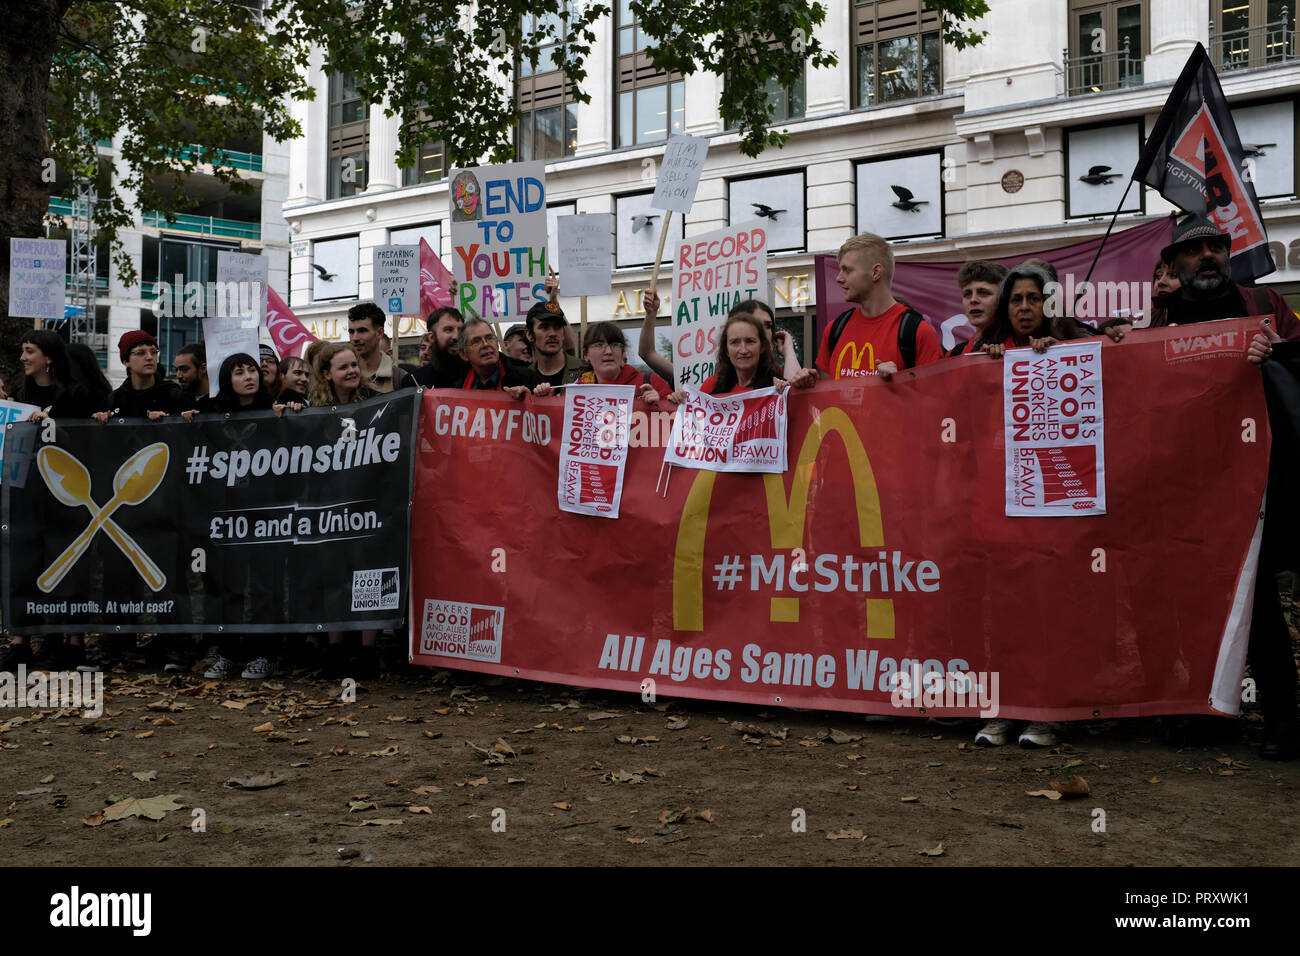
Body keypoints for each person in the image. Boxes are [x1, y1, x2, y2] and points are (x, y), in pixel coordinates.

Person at [200, 353, 304, 680]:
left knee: (265, 584)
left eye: (252, 370)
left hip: (266, 514)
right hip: (228, 515)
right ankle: (229, 651)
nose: (249, 376)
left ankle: (265, 652)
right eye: (239, 371)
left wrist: (290, 420)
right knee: (229, 584)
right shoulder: (214, 416)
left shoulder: (276, 411)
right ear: (226, 380)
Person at [0, 331, 98, 672]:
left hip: (65, 495)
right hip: (26, 493)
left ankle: (71, 642)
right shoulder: (23, 396)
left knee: (66, 563)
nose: (24, 357)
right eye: (22, 351)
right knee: (26, 561)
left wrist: (53, 425)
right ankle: (21, 642)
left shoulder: (76, 395)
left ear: (49, 358)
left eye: (30, 351)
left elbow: (86, 444)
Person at [816, 232, 943, 380]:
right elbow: (825, 397)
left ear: (875, 272)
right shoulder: (834, 329)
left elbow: (935, 397)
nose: (838, 278)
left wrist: (900, 382)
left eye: (847, 270)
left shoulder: (917, 331)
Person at [1151, 214, 1300, 336]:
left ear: (1227, 257)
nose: (1208, 254)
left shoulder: (1266, 302)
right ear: (1173, 266)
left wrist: (1280, 352)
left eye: (1215, 247)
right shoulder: (1155, 320)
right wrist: (1127, 345)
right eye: (1192, 250)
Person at [668, 310, 816, 399]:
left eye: (750, 341)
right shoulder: (711, 387)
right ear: (726, 350)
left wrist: (793, 390)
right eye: (735, 342)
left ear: (762, 347)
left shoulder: (777, 385)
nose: (743, 350)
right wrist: (679, 402)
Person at [536, 322, 669, 404]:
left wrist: (662, 405)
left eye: (615, 345)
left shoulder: (651, 383)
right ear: (586, 355)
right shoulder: (576, 392)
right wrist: (547, 402)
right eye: (599, 345)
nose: (608, 351)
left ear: (623, 353)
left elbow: (680, 423)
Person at [974, 264, 1082, 360]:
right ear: (1005, 309)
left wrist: (1064, 353)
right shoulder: (987, 345)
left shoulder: (1079, 344)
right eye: (1017, 300)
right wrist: (982, 361)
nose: (1024, 307)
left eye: (1034, 299)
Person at [93, 331, 188, 422]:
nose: (149, 357)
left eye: (154, 352)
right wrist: (101, 419)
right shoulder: (114, 400)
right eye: (140, 353)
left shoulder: (172, 394)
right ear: (126, 361)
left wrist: (168, 420)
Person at [459, 318, 543, 395]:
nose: (485, 344)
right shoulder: (455, 385)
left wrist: (530, 399)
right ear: (464, 354)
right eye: (476, 341)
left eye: (489, 338)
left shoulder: (527, 378)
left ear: (497, 344)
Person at [947, 261, 1008, 356]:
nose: (973, 300)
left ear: (1003, 298)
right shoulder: (954, 354)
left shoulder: (1023, 347)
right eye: (967, 294)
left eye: (983, 293)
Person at [399, 306, 468, 389]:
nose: (456, 336)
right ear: (432, 337)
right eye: (448, 330)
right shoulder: (414, 381)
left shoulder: (477, 375)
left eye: (460, 330)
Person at [527, 302, 584, 387]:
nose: (552, 334)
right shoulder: (524, 377)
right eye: (544, 327)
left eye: (558, 327)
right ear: (529, 335)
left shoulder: (584, 372)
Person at [309, 342, 380, 406]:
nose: (352, 371)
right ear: (327, 374)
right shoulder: (317, 406)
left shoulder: (375, 400)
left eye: (354, 365)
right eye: (343, 367)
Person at [346, 302, 396, 392]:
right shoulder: (339, 377)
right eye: (351, 332)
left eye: (362, 331)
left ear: (379, 333)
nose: (355, 338)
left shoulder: (398, 378)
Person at [173, 342, 211, 409]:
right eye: (176, 370)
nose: (178, 375)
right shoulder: (177, 402)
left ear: (203, 368)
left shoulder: (223, 402)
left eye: (184, 369)